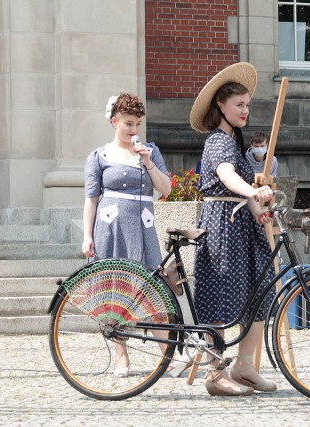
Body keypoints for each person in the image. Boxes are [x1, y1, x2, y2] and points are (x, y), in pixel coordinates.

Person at [82, 92, 191, 378]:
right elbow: (91, 199)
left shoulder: (149, 151)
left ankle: (167, 355)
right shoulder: (99, 156)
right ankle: (121, 356)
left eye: (137, 124)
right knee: (115, 290)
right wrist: (87, 236)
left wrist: (148, 162)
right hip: (111, 229)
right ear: (114, 121)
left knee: (151, 289)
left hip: (142, 230)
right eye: (128, 123)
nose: (133, 130)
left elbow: (166, 190)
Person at [189, 62, 277, 396]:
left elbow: (239, 185)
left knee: (259, 293)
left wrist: (257, 211)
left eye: (247, 105)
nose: (245, 110)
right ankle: (214, 373)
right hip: (222, 227)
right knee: (221, 296)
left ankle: (245, 366)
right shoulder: (217, 142)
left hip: (241, 225)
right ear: (220, 107)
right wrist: (252, 191)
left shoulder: (235, 140)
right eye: (239, 105)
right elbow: (226, 176)